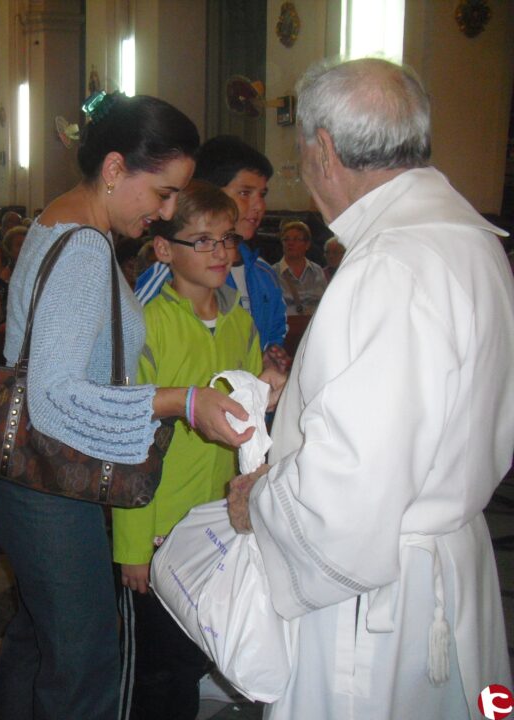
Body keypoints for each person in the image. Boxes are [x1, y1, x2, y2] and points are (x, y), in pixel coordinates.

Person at [227, 58, 514, 719]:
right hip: (450, 564)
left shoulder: (389, 264)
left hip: (380, 599)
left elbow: (346, 492)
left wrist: (258, 502)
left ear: (324, 148)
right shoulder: (473, 241)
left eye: (301, 153)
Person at [0, 91, 258, 720]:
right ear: (112, 169)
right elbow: (54, 395)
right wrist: (180, 401)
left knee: (38, 639)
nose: (164, 213)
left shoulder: (68, 224)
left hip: (33, 476)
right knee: (85, 661)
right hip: (47, 482)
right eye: (161, 194)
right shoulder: (81, 246)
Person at [113, 181, 266, 719]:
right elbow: (128, 435)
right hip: (158, 525)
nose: (220, 252)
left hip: (215, 521)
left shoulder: (239, 322)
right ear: (163, 249)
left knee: (200, 644)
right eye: (201, 240)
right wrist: (132, 543)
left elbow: (247, 416)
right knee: (158, 668)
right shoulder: (148, 323)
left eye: (226, 239)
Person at [135, 135, 289, 371]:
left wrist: (270, 357)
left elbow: (275, 332)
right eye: (245, 193)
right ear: (209, 192)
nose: (259, 206)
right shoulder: (165, 277)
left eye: (262, 194)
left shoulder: (264, 274)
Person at [273, 220, 326, 316]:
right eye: (286, 239)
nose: (290, 243)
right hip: (284, 328)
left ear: (307, 244)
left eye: (296, 239)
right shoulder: (272, 273)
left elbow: (325, 303)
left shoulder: (317, 271)